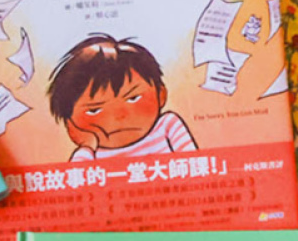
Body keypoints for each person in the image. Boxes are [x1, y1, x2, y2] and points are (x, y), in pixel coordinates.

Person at [50, 35, 197, 161]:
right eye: (94, 110)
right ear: (70, 124)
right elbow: (76, 181)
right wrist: (86, 147)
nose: (119, 115)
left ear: (161, 95)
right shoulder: (92, 155)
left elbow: (194, 164)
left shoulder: (167, 126)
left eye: (133, 98)